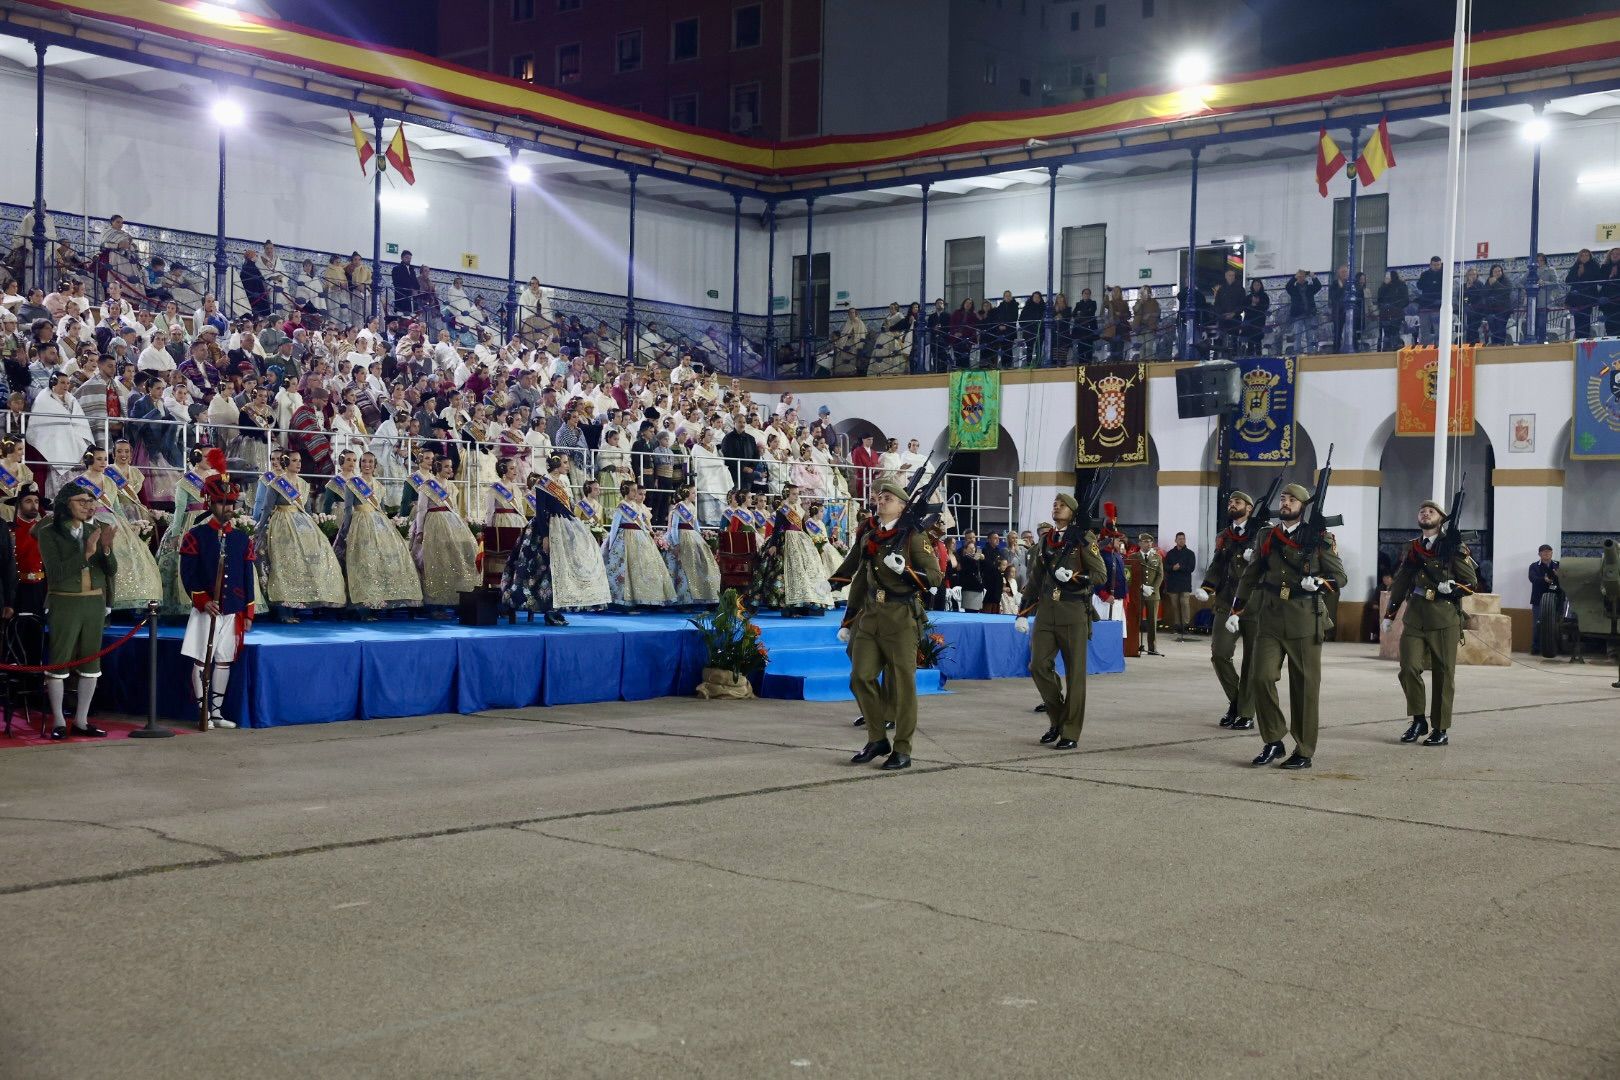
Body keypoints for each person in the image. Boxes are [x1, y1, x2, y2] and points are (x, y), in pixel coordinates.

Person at [1231, 483, 1346, 770]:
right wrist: (1237, 607)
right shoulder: (1267, 535)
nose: (1285, 502)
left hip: (1305, 618)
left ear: (1304, 506)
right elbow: (1252, 572)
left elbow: (1340, 577)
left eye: (1292, 499)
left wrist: (1319, 582)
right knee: (1260, 677)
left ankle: (1304, 749)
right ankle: (1273, 740)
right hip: (1270, 616)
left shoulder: (1320, 538)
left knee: (1304, 688)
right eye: (1283, 498)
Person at [831, 478, 942, 770]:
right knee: (860, 677)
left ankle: (902, 749)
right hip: (870, 616)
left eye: (888, 499)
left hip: (900, 618)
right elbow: (860, 579)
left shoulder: (914, 537)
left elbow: (934, 578)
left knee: (904, 687)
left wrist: (905, 571)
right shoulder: (871, 537)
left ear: (903, 507)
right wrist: (848, 617)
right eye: (879, 498)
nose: (881, 502)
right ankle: (877, 738)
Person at [1014, 493, 1108, 749]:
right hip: (1046, 611)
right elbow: (1035, 580)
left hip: (1073, 611)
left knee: (1075, 675)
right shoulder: (1046, 541)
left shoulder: (1084, 539)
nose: (1056, 507)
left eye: (1062, 505)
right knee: (1037, 666)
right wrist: (1022, 612)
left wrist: (1074, 577)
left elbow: (1100, 575)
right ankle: (1057, 719)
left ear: (1073, 512)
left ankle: (1070, 732)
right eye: (1054, 504)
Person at [1382, 499, 1479, 747]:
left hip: (1443, 617)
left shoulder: (1453, 547)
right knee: (1408, 669)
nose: (1425, 513)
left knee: (1444, 676)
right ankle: (1418, 720)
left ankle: (1440, 727)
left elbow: (1471, 583)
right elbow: (1402, 581)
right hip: (1415, 617)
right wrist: (1390, 613)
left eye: (1431, 511)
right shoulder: (1414, 547)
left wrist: (1453, 588)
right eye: (1422, 510)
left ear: (1442, 518)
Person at [36, 483, 116, 739]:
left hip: (93, 602)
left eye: (90, 502)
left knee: (91, 664)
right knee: (59, 663)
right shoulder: (49, 532)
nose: (88, 506)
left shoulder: (96, 529)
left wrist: (105, 549)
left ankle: (81, 720)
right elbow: (56, 573)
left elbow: (110, 570)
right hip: (65, 601)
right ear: (66, 503)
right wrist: (87, 552)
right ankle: (59, 721)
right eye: (82, 501)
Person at [178, 475, 254, 729]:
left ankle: (217, 713)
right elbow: (187, 575)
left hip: (233, 609)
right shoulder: (195, 535)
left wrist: (249, 612)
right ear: (210, 503)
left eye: (232, 503)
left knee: (223, 660)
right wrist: (202, 600)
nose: (228, 509)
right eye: (223, 503)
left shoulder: (242, 539)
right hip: (205, 611)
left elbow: (247, 577)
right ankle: (203, 713)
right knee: (202, 659)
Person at [254, 450, 347, 617]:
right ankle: (283, 610)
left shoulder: (304, 484)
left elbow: (308, 509)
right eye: (294, 460)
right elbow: (267, 508)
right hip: (281, 524)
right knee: (285, 564)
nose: (298, 463)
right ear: (286, 462)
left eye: (299, 460)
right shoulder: (276, 482)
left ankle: (301, 603)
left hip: (302, 524)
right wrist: (260, 527)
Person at [73, 445, 162, 613]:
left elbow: (116, 508)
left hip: (114, 523)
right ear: (89, 460)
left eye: (105, 459)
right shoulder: (79, 482)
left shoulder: (110, 482)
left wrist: (128, 527)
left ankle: (125, 603)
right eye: (99, 459)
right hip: (90, 523)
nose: (103, 462)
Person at [341, 449, 422, 616]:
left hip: (379, 526)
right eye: (364, 461)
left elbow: (382, 509)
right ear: (359, 464)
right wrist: (346, 530)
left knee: (378, 563)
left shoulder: (379, 486)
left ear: (375, 466)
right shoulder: (352, 483)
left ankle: (378, 601)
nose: (367, 465)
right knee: (363, 563)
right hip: (360, 524)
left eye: (370, 462)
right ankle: (363, 606)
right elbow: (348, 509)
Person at [157, 448, 227, 614]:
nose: (209, 459)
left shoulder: (218, 476)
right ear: (195, 457)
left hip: (215, 519)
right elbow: (180, 509)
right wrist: (175, 534)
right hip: (193, 523)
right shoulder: (186, 481)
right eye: (205, 456)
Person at [413, 456, 479, 612]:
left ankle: (455, 599)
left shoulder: (452, 487)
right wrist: (420, 530)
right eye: (446, 467)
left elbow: (454, 508)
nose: (450, 469)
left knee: (454, 560)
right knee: (437, 561)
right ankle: (436, 604)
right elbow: (421, 510)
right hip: (434, 524)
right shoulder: (427, 486)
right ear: (438, 468)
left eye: (451, 466)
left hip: (452, 524)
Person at [603, 481, 676, 608]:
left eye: (637, 491)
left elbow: (641, 523)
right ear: (626, 491)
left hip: (640, 538)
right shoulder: (622, 506)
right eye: (633, 490)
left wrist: (648, 533)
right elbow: (614, 526)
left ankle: (644, 598)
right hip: (625, 537)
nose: (635, 493)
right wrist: (611, 545)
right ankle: (625, 602)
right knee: (625, 569)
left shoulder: (636, 506)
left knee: (644, 567)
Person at [664, 484, 721, 607]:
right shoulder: (679, 507)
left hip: (693, 536)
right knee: (684, 568)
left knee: (700, 565)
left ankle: (702, 596)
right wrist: (676, 543)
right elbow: (674, 527)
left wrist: (701, 536)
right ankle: (684, 599)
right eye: (693, 493)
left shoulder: (693, 507)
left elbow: (695, 525)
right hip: (682, 537)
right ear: (686, 493)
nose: (695, 495)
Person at [482, 456, 528, 591]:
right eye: (512, 469)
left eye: (515, 469)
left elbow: (519, 508)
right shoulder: (494, 489)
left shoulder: (516, 488)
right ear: (503, 470)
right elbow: (490, 511)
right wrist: (489, 530)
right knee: (500, 555)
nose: (515, 472)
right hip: (501, 522)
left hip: (516, 522)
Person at [1163, 531, 1195, 641]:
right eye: (1180, 539)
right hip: (1173, 584)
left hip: (1185, 583)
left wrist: (1179, 568)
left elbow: (1191, 568)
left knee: (1185, 604)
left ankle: (1185, 626)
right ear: (1175, 540)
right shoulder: (1170, 553)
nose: (1182, 540)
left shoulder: (1190, 553)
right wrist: (1172, 568)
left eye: (1183, 539)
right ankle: (1176, 625)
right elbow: (1166, 567)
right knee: (1175, 606)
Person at [1527, 544, 1560, 652]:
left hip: (1556, 599)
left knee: (1555, 624)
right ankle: (1536, 648)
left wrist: (1559, 576)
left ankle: (1554, 648)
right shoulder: (1534, 566)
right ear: (1539, 554)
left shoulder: (1558, 565)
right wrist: (1544, 580)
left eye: (1549, 552)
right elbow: (1533, 579)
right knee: (1538, 624)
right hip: (1539, 600)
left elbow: (1566, 579)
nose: (1547, 554)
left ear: (1552, 553)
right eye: (1544, 552)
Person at [1136, 532, 1165, 655]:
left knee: (1152, 622)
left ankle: (1152, 648)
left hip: (1153, 594)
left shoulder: (1157, 557)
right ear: (1140, 543)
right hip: (1138, 593)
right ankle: (1134, 646)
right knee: (1135, 620)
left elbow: (1160, 575)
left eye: (1150, 542)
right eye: (1145, 542)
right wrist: (1141, 587)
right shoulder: (1134, 556)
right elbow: (1130, 576)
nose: (1148, 544)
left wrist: (1152, 589)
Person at [1376, 270, 1409, 351]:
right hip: (1385, 314)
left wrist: (1397, 307)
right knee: (1387, 333)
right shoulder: (1383, 287)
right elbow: (1379, 299)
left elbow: (1405, 299)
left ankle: (1395, 349)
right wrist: (1385, 285)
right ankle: (1387, 350)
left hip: (1396, 314)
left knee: (1395, 332)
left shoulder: (1401, 285)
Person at [1415, 256, 1445, 345]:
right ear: (1430, 265)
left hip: (1438, 307)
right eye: (1434, 265)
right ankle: (1425, 349)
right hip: (1425, 306)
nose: (1436, 267)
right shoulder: (1425, 274)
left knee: (1438, 330)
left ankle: (1439, 348)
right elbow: (1419, 286)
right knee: (1424, 330)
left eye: (1438, 265)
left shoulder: (1444, 274)